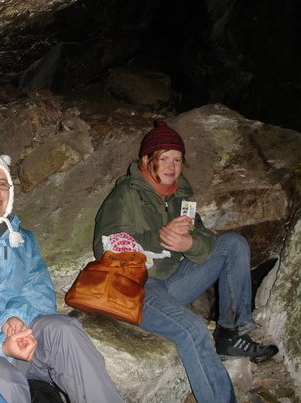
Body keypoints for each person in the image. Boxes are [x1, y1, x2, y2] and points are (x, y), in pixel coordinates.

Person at [93, 119, 279, 403]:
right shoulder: (126, 194)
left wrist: (190, 244)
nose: (171, 166)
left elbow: (204, 238)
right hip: (138, 287)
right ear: (147, 160)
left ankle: (231, 333)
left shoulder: (181, 198)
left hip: (173, 281)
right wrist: (158, 238)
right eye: (164, 159)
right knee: (192, 329)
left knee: (233, 244)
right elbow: (104, 245)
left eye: (177, 159)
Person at [0, 152, 123, 403]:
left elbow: (40, 295)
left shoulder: (23, 240)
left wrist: (14, 317)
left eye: (2, 184)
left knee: (65, 329)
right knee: (6, 382)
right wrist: (0, 343)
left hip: (23, 339)